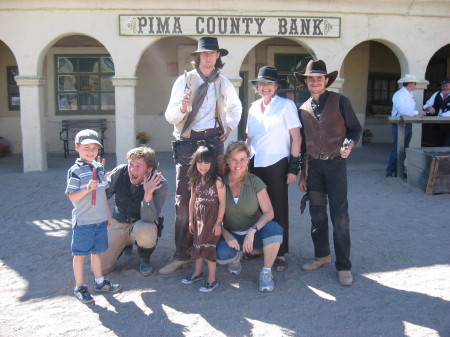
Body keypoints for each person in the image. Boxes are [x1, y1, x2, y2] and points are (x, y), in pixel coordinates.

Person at [162, 36, 242, 274]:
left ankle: (212, 251)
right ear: (198, 56)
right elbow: (170, 116)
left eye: (213, 53)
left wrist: (230, 125)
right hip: (187, 142)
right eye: (204, 53)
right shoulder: (184, 81)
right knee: (184, 199)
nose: (208, 57)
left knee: (216, 196)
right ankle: (182, 254)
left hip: (213, 140)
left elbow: (235, 107)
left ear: (218, 56)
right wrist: (183, 107)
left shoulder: (223, 82)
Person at [293, 59, 362, 286]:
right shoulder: (302, 109)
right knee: (317, 215)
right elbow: (302, 145)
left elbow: (354, 128)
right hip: (314, 168)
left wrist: (350, 144)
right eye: (311, 78)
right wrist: (303, 173)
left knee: (340, 217)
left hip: (335, 165)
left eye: (319, 78)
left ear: (326, 81)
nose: (315, 81)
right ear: (306, 81)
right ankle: (322, 256)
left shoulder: (340, 101)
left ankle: (344, 266)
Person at [246, 66, 302, 272]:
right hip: (255, 163)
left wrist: (293, 168)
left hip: (277, 163)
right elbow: (250, 138)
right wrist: (241, 163)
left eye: (269, 83)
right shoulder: (252, 107)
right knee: (256, 208)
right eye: (262, 83)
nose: (265, 87)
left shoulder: (286, 106)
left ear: (277, 86)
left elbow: (297, 138)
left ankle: (279, 252)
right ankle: (260, 247)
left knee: (277, 208)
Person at [216, 142, 283, 292]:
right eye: (234, 159)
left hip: (254, 233)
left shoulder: (255, 181)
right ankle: (237, 255)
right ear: (227, 160)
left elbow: (269, 212)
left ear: (248, 160)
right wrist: (226, 235)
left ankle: (266, 272)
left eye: (242, 159)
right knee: (222, 255)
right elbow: (214, 216)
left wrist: (252, 231)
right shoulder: (220, 183)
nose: (238, 163)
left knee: (275, 230)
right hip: (231, 233)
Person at [65, 129, 121, 304]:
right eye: (86, 147)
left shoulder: (98, 167)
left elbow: (103, 193)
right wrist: (87, 188)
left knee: (97, 253)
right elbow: (72, 196)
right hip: (83, 221)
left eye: (94, 148)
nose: (90, 151)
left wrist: (108, 214)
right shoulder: (75, 170)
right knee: (80, 254)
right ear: (77, 148)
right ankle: (80, 286)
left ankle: (100, 281)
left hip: (99, 220)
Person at [100, 146, 168, 276]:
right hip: (118, 222)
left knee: (147, 230)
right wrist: (99, 182)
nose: (132, 169)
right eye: (131, 164)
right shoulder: (120, 172)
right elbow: (104, 195)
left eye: (138, 166)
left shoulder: (160, 184)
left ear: (149, 169)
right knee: (100, 268)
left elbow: (149, 218)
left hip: (141, 224)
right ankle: (124, 244)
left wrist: (148, 193)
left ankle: (144, 258)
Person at [181, 145, 225, 292]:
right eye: (199, 162)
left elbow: (223, 203)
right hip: (198, 218)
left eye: (206, 163)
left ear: (212, 163)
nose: (202, 166)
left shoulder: (217, 181)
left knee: (209, 247)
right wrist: (190, 220)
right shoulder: (195, 179)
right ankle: (197, 273)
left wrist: (218, 223)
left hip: (211, 218)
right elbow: (192, 201)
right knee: (198, 245)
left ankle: (212, 279)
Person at [385, 74, 427, 178]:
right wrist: (417, 113)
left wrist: (415, 113)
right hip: (400, 124)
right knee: (398, 149)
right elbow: (402, 110)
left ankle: (398, 170)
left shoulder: (409, 94)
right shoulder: (399, 94)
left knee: (404, 149)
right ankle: (389, 172)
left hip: (407, 123)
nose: (415, 85)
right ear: (410, 83)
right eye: (414, 83)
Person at [423, 77, 450, 146]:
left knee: (446, 146)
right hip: (436, 126)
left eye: (446, 85)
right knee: (435, 145)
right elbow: (426, 105)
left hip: (448, 126)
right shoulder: (437, 94)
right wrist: (429, 108)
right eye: (443, 86)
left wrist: (441, 116)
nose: (444, 87)